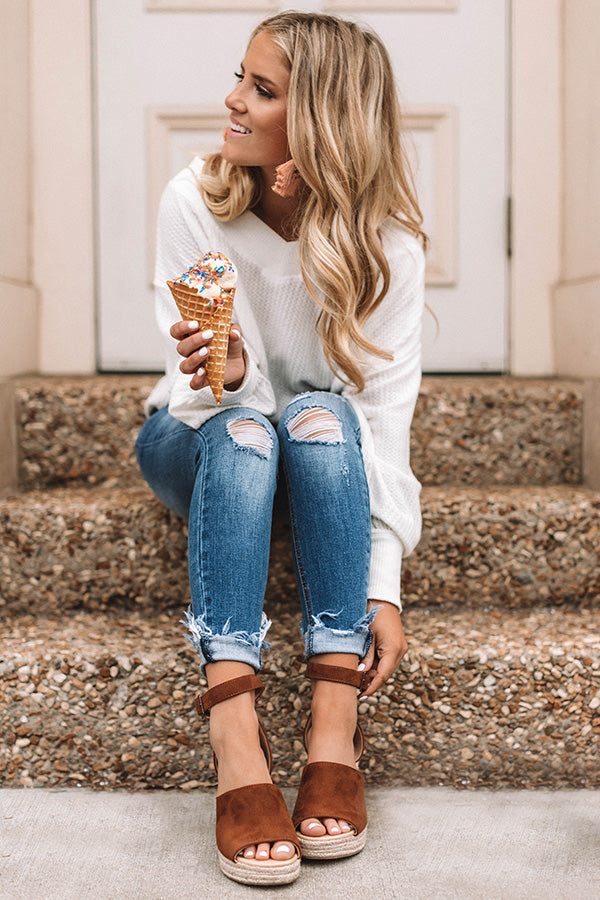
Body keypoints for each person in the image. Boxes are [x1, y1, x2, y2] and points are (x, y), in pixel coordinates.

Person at [135, 10, 426, 887]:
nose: (231, 100)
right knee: (250, 425)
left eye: (262, 90)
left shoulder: (386, 245)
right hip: (198, 435)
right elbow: (203, 400)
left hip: (319, 458)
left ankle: (334, 725)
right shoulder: (194, 199)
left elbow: (383, 423)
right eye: (241, 77)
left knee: (327, 417)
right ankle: (234, 732)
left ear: (325, 122)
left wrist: (384, 582)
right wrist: (230, 375)